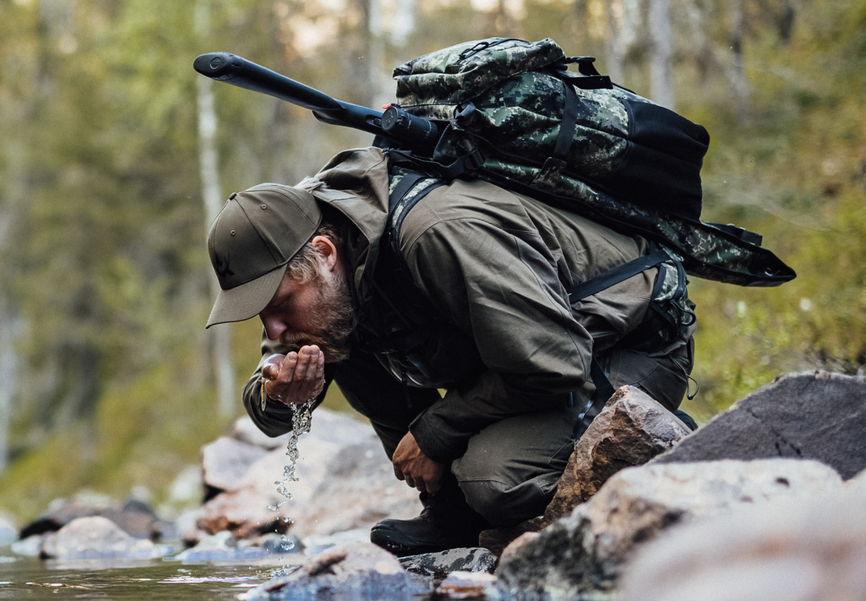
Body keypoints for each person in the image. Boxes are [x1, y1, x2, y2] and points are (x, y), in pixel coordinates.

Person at [204, 147, 696, 556]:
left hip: (628, 343)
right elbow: (267, 407)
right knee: (335, 340)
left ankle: (664, 443)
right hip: (518, 355)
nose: (273, 327)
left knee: (495, 482)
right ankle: (453, 512)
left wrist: (435, 432)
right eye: (260, 314)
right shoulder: (308, 272)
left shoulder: (436, 232)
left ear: (325, 254)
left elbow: (556, 362)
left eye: (278, 306)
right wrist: (281, 394)